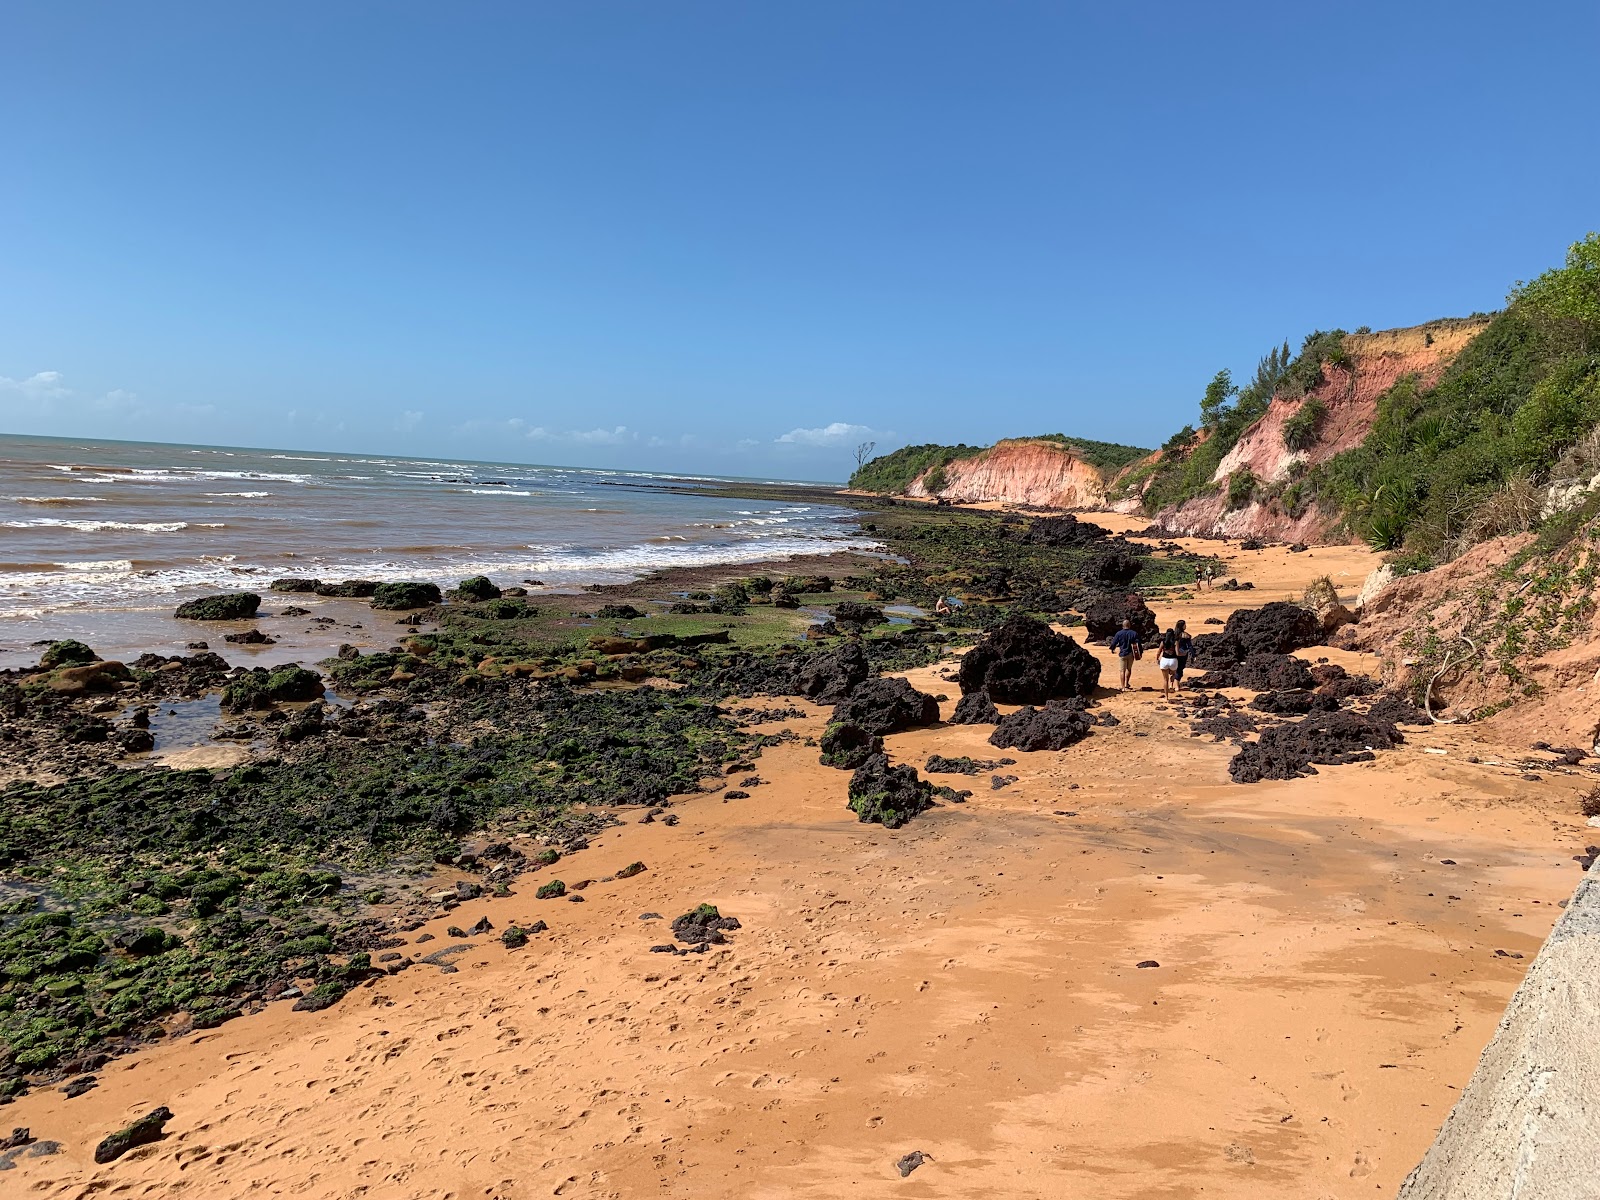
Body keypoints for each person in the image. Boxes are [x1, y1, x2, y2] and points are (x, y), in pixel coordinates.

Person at [1108, 618, 1142, 691]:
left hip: (1122, 654)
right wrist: (1140, 653)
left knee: (1122, 671)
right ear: (1129, 625)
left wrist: (1112, 649)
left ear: (1122, 626)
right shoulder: (1134, 633)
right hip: (1131, 654)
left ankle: (1123, 687)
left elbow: (1114, 642)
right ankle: (1127, 683)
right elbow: (1138, 644)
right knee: (1129, 669)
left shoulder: (1119, 633)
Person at [1171, 619, 1192, 691]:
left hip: (1173, 654)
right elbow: (1189, 645)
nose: (1185, 626)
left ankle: (1173, 684)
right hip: (1182, 654)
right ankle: (1177, 686)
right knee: (1180, 669)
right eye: (1184, 625)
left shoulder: (1174, 635)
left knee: (1175, 669)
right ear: (1182, 626)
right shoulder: (1185, 635)